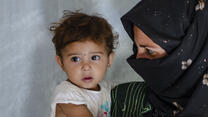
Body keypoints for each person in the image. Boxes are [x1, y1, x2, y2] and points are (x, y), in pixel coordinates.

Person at [111, 0, 208, 116]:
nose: (138, 59)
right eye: (136, 48)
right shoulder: (122, 98)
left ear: (190, 51)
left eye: (150, 51)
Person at [49, 11, 118, 117]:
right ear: (61, 62)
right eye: (75, 59)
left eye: (94, 57)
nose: (86, 67)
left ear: (109, 60)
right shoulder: (67, 95)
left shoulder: (107, 89)